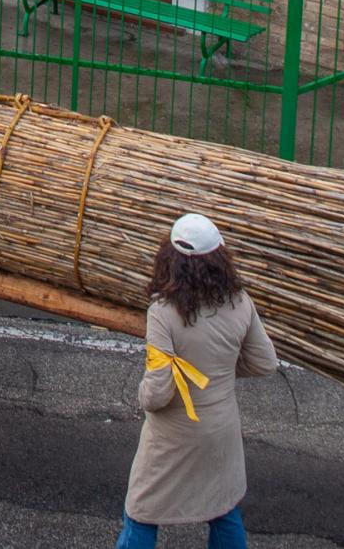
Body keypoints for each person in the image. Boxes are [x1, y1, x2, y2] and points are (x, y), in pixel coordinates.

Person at [119, 213, 278, 549]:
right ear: (219, 257)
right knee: (223, 508)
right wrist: (216, 375)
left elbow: (157, 393)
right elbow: (265, 362)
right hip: (221, 430)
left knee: (141, 511)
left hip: (174, 436)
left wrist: (142, 394)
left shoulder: (163, 311)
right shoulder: (240, 301)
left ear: (170, 259)